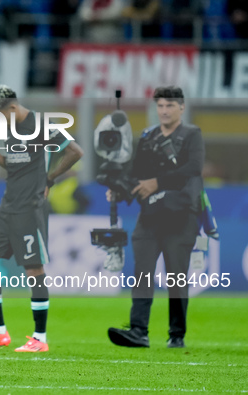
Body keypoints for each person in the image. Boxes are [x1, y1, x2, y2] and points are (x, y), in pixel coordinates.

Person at [0, 85, 84, 353]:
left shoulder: (41, 125)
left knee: (34, 271)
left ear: (12, 107)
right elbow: (14, 164)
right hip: (7, 206)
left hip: (30, 209)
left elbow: (75, 151)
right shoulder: (9, 129)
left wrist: (50, 178)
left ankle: (39, 339)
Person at [107, 86, 204, 349]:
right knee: (142, 273)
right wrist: (121, 191)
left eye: (170, 105)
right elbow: (138, 174)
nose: (164, 111)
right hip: (150, 215)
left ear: (181, 107)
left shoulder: (192, 134)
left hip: (181, 214)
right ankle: (139, 331)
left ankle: (177, 334)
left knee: (176, 277)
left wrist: (157, 182)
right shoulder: (148, 137)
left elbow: (194, 168)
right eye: (160, 106)